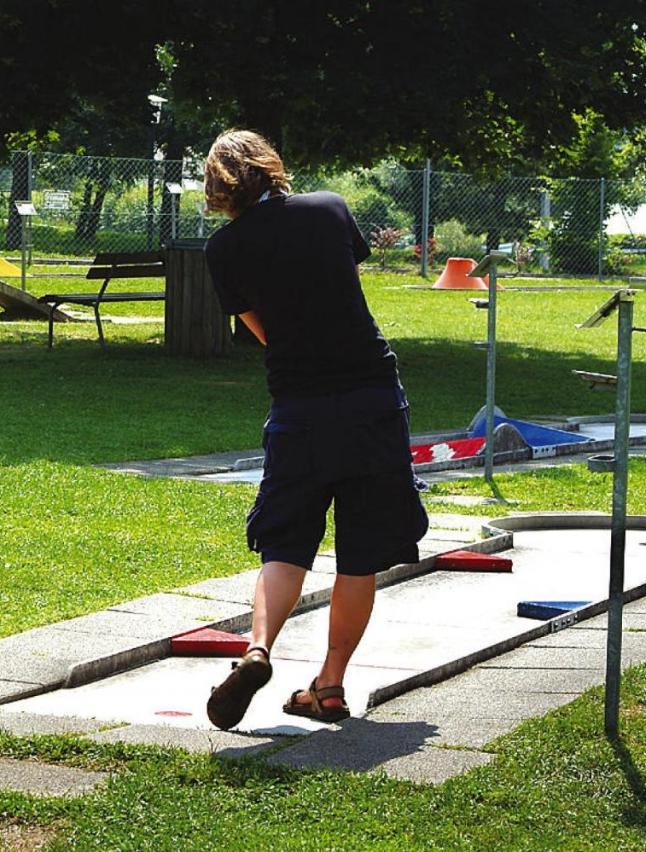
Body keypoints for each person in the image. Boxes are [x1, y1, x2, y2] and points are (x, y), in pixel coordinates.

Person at [201, 130, 428, 728]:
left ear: (218, 185)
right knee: (360, 553)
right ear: (272, 166)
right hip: (371, 397)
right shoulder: (328, 208)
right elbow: (343, 278)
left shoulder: (224, 250)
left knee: (285, 542)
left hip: (300, 405)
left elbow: (266, 330)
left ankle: (257, 650)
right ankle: (329, 685)